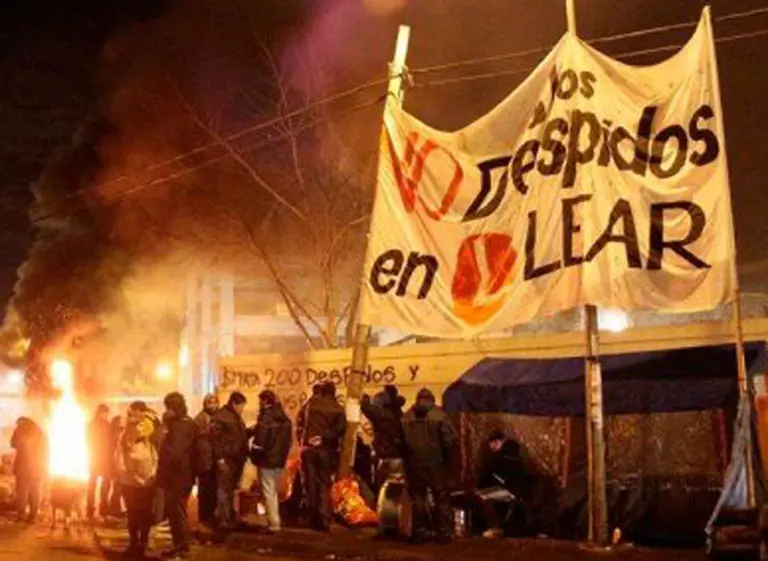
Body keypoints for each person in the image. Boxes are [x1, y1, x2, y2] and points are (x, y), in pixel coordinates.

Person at [401, 388, 456, 544]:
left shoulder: (406, 417)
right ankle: (443, 533)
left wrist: (408, 462)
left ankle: (419, 533)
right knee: (441, 498)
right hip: (436, 463)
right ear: (432, 400)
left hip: (414, 464)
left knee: (418, 498)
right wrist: (449, 463)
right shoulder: (440, 416)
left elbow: (401, 443)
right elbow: (448, 441)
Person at [298, 382, 345, 531]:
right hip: (325, 450)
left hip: (308, 448)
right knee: (324, 484)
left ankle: (313, 518)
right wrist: (323, 438)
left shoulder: (311, 404)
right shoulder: (338, 409)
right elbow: (340, 430)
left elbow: (302, 421)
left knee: (310, 483)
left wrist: (307, 439)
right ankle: (325, 519)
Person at [158, 393, 198, 561]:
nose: (166, 411)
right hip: (183, 476)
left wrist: (164, 474)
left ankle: (183, 548)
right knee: (176, 513)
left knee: (177, 513)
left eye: (168, 408)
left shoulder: (180, 427)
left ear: (173, 408)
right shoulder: (186, 423)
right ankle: (179, 546)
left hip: (177, 478)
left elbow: (174, 454)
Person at [117, 401, 161, 557]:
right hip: (130, 482)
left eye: (136, 412)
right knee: (133, 515)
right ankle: (134, 543)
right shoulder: (127, 433)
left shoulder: (151, 429)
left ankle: (143, 543)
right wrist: (123, 474)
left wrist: (152, 475)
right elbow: (121, 454)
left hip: (146, 481)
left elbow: (156, 457)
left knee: (145, 514)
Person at [250, 390, 292, 533]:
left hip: (266, 461)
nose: (259, 404)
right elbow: (288, 442)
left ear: (265, 401)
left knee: (268, 493)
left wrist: (254, 457)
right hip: (279, 462)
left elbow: (259, 443)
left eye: (260, 401)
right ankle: (276, 521)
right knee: (273, 492)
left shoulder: (265, 418)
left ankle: (274, 524)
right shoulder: (285, 419)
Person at [211, 391, 250, 532]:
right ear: (234, 403)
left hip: (236, 460)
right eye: (241, 406)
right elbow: (215, 440)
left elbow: (238, 436)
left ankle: (229, 517)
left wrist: (250, 432)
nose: (242, 409)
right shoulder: (222, 417)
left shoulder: (235, 417)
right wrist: (219, 458)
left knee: (230, 490)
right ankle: (223, 520)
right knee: (224, 490)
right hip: (226, 460)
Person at [361, 385, 406, 489]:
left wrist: (364, 399)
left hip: (386, 456)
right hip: (399, 457)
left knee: (382, 488)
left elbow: (368, 409)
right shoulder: (401, 414)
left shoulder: (383, 414)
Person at [10, 417, 47, 523]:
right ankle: (32, 515)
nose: (18, 426)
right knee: (32, 492)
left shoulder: (23, 433)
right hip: (35, 468)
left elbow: (13, 444)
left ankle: (25, 515)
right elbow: (45, 452)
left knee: (24, 492)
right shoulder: (39, 433)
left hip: (26, 468)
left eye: (19, 424)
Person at [194, 393, 219, 528]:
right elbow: (196, 436)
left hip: (216, 460)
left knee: (214, 490)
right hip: (204, 460)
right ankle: (204, 517)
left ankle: (212, 515)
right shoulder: (199, 419)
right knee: (204, 491)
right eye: (209, 402)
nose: (212, 405)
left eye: (214, 402)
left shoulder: (219, 417)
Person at [88, 403, 112, 519]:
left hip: (96, 459)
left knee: (96, 485)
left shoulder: (91, 425)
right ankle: (101, 509)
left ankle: (93, 509)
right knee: (101, 485)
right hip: (101, 459)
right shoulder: (106, 426)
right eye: (105, 413)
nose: (107, 415)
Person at [108, 415, 125, 516]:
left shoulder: (116, 437)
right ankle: (114, 509)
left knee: (118, 488)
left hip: (118, 465)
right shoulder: (112, 438)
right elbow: (113, 454)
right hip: (115, 466)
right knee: (117, 488)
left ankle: (116, 508)